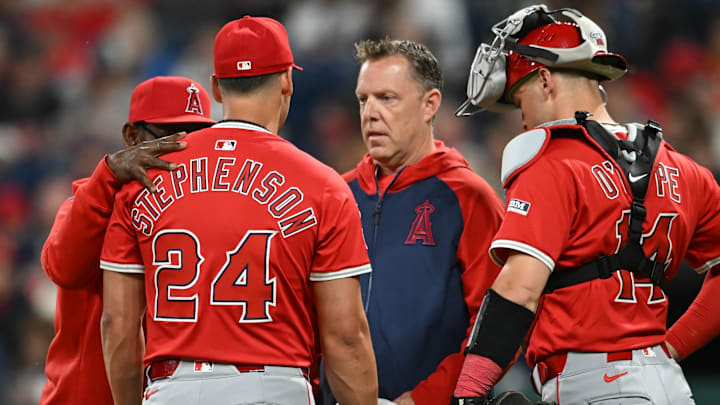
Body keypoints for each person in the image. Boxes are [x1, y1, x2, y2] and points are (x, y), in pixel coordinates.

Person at [99, 16, 378, 405]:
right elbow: (346, 337)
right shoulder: (323, 185)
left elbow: (118, 325)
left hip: (171, 388)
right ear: (286, 81)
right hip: (272, 387)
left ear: (215, 87)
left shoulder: (145, 177)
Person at [451, 5, 720, 405]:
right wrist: (670, 350)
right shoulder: (683, 168)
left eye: (519, 98)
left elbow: (518, 290)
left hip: (593, 385)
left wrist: (469, 390)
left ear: (544, 80)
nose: (522, 119)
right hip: (670, 386)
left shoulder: (552, 163)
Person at [321, 38, 504, 405]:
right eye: (363, 99)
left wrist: (426, 398)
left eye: (386, 98)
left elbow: (498, 327)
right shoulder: (335, 196)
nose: (370, 113)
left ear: (429, 105)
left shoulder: (469, 198)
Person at [40, 75, 215, 405]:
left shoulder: (207, 211)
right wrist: (107, 175)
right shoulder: (86, 203)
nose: (183, 146)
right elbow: (65, 268)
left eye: (196, 136)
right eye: (170, 136)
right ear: (132, 136)